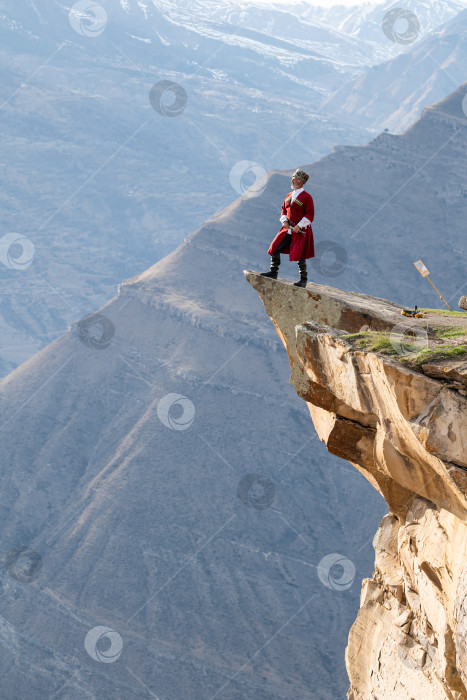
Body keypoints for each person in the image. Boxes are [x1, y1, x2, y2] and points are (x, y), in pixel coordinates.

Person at [260, 169, 315, 287]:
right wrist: (284, 221)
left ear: (300, 182)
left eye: (294, 179)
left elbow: (309, 215)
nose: (292, 181)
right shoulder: (289, 195)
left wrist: (299, 226)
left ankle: (303, 279)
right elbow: (284, 210)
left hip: (300, 230)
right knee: (275, 247)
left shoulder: (307, 197)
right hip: (287, 228)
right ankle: (273, 272)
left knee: (300, 254)